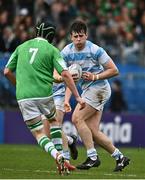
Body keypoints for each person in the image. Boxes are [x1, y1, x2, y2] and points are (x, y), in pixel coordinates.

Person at [3, 21, 85, 175]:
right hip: (44, 95)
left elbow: (7, 71)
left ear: (36, 32)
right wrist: (77, 97)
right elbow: (65, 74)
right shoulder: (52, 50)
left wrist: (18, 85)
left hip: (23, 97)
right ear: (51, 37)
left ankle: (57, 155)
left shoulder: (21, 47)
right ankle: (62, 157)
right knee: (54, 121)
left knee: (39, 134)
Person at [61, 20, 130, 172]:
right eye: (75, 36)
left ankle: (92, 157)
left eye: (81, 36)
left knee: (76, 118)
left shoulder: (95, 49)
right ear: (71, 37)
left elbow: (114, 70)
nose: (78, 39)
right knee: (93, 131)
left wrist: (95, 77)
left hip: (99, 88)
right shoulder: (66, 52)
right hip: (89, 91)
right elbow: (67, 78)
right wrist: (66, 100)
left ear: (86, 35)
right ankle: (120, 157)